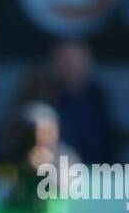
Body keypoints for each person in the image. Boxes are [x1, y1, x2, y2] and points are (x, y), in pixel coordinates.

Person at [48, 40, 116, 168]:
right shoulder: (45, 97)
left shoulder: (96, 96)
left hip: (98, 175)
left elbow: (108, 144)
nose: (69, 67)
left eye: (73, 62)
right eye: (64, 61)